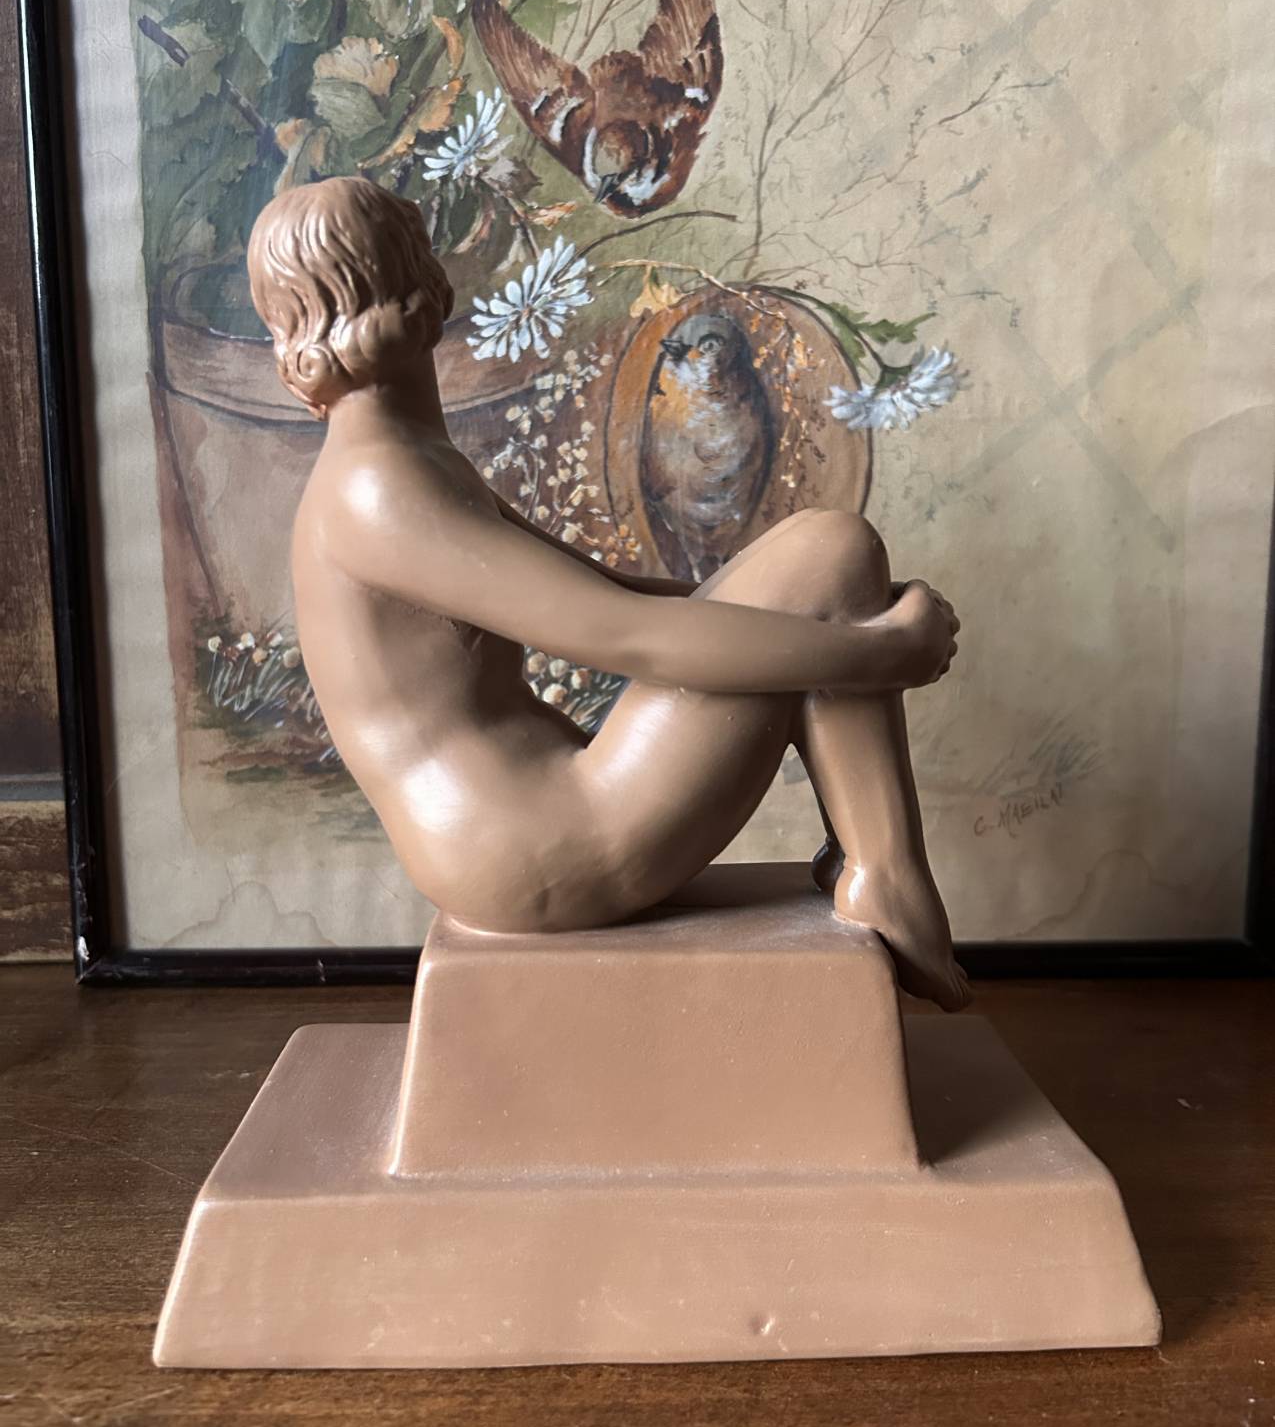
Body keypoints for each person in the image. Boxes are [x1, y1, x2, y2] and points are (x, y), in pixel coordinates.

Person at [247, 178, 968, 1010]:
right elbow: (625, 636)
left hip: (522, 831)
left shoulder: (395, 464)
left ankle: (876, 866)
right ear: (418, 288)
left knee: (822, 565)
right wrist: (881, 652)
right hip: (538, 848)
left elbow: (602, 588)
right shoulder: (379, 488)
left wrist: (818, 620)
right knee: (832, 551)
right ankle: (884, 872)